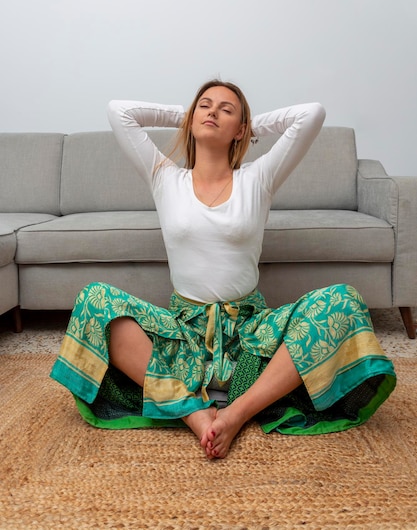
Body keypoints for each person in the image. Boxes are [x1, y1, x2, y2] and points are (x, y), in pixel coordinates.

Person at [50, 79, 396, 460]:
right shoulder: (164, 176)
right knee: (93, 299)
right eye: (205, 105)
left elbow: (311, 114)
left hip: (251, 338)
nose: (212, 112)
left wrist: (245, 121)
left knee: (343, 300)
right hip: (182, 339)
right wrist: (191, 116)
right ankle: (196, 414)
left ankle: (236, 412)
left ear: (241, 130)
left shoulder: (258, 178)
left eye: (225, 109)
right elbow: (119, 111)